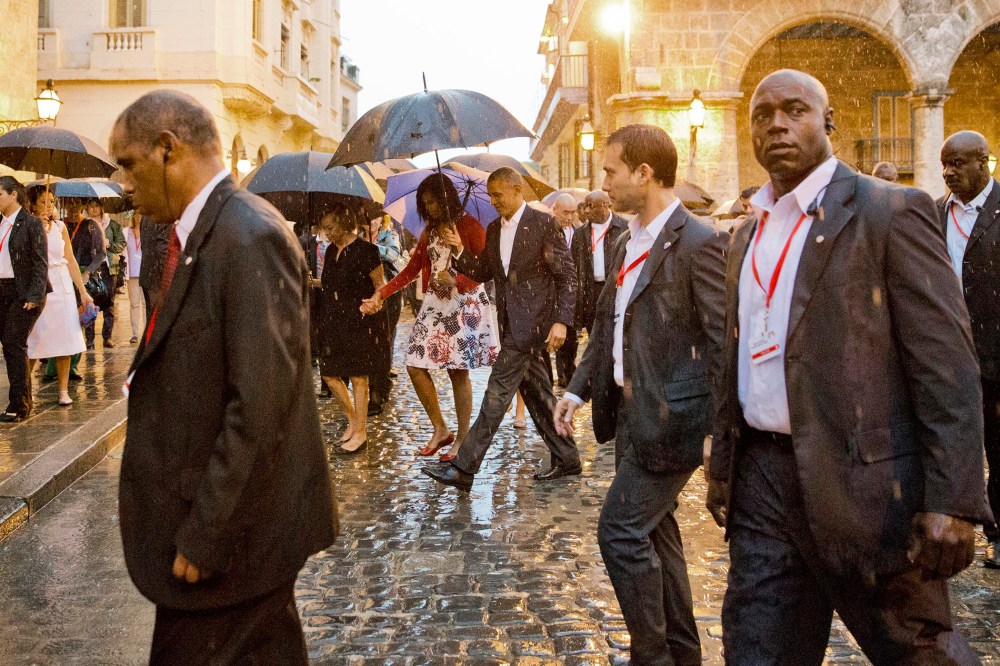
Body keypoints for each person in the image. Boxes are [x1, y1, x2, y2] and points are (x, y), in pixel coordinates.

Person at [706, 69, 991, 664]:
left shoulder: (889, 212)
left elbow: (946, 366)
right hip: (764, 487)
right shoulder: (743, 237)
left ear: (827, 122)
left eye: (794, 110)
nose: (777, 124)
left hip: (870, 491)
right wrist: (725, 464)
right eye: (762, 115)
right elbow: (733, 357)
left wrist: (954, 500)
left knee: (920, 653)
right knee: (758, 650)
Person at [109, 89, 337, 664]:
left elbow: (261, 404)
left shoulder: (247, 235)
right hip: (228, 548)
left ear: (168, 149)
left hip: (233, 547)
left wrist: (209, 531)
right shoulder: (205, 231)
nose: (123, 183)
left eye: (128, 163)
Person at [554, 124, 727, 666]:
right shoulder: (628, 239)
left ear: (644, 174)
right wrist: (578, 392)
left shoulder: (700, 242)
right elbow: (608, 326)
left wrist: (720, 435)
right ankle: (681, 653)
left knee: (620, 532)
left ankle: (650, 657)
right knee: (658, 533)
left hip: (673, 417)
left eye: (610, 171)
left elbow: (724, 345)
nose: (602, 183)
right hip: (630, 414)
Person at [422, 167, 579, 491]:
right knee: (538, 396)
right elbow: (484, 271)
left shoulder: (542, 224)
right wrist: (460, 250)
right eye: (490, 196)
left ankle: (464, 468)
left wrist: (561, 320)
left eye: (498, 195)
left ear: (516, 189)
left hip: (533, 325)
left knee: (495, 397)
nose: (494, 201)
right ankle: (567, 458)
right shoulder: (493, 229)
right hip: (510, 324)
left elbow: (566, 276)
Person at [362, 174, 499, 459]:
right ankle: (440, 429)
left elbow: (486, 269)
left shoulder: (469, 226)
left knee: (457, 371)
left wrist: (459, 257)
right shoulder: (430, 231)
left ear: (447, 198)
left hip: (463, 304)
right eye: (426, 204)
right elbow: (410, 270)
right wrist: (381, 294)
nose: (431, 208)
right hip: (436, 305)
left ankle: (462, 438)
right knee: (414, 364)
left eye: (434, 202)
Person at [937, 130, 1000, 569]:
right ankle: (949, 523)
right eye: (945, 164)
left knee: (998, 445)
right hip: (946, 354)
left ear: (984, 161)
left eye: (958, 163)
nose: (948, 172)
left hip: (995, 351)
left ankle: (998, 530)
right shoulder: (934, 213)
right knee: (949, 441)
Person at [317, 203, 388, 454]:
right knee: (329, 373)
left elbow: (380, 285)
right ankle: (352, 420)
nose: (327, 233)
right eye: (324, 228)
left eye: (330, 227)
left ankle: (361, 433)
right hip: (333, 320)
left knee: (359, 377)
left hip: (358, 320)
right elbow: (331, 284)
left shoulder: (367, 250)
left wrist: (375, 302)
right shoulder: (331, 251)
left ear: (344, 224)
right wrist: (313, 282)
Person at [25, 186, 91, 406]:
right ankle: (27, 388)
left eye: (51, 201)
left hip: (61, 285)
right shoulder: (27, 226)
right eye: (43, 201)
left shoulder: (60, 227)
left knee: (64, 340)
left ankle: (63, 390)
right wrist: (38, 229)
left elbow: (70, 259)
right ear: (33, 205)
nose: (49, 206)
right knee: (33, 340)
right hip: (39, 286)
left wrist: (82, 290)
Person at [0, 177, 48, 422]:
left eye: (0, 194)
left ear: (13, 195)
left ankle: (19, 405)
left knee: (13, 343)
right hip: (1, 290)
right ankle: (22, 400)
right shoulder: (1, 223)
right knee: (9, 347)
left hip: (23, 292)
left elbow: (40, 264)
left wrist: (35, 295)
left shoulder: (30, 224)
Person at [570, 189, 627, 337]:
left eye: (590, 206)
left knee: (614, 334)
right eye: (585, 206)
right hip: (591, 292)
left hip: (614, 290)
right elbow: (574, 268)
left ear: (603, 206)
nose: (586, 210)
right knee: (594, 335)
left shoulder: (624, 228)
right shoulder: (581, 234)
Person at [368, 214, 404, 417]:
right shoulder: (363, 235)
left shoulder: (389, 234)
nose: (373, 223)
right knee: (372, 344)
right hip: (370, 292)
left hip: (389, 293)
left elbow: (393, 255)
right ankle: (377, 386)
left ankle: (380, 389)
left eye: (376, 219)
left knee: (383, 340)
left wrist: (372, 248)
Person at [66, 201, 106, 350]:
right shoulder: (59, 225)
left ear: (82, 207)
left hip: (83, 274)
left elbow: (101, 253)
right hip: (64, 274)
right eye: (70, 204)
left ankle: (87, 342)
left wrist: (88, 271)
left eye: (77, 205)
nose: (73, 207)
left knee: (83, 308)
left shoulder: (90, 225)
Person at [550, 193, 579, 387]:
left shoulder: (577, 233)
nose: (569, 217)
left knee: (570, 338)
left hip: (569, 292)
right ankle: (553, 375)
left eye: (573, 213)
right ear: (555, 210)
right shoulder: (546, 230)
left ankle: (566, 375)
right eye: (565, 213)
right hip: (550, 292)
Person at [83, 199, 119, 348]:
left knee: (108, 303)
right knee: (90, 302)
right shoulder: (85, 225)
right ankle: (89, 339)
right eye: (90, 206)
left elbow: (121, 243)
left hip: (108, 268)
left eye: (96, 206)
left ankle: (107, 337)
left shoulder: (113, 225)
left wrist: (109, 244)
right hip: (92, 267)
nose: (93, 209)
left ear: (102, 207)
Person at [138, 212, 171, 314]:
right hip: (158, 277)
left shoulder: (145, 216)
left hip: (147, 274)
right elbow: (163, 248)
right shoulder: (164, 216)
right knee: (158, 318)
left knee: (151, 317)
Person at [122, 213, 144, 344]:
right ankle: (135, 333)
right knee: (134, 303)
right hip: (132, 273)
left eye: (141, 215)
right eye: (136, 214)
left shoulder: (148, 232)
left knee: (146, 304)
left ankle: (147, 332)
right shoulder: (126, 232)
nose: (138, 217)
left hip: (145, 272)